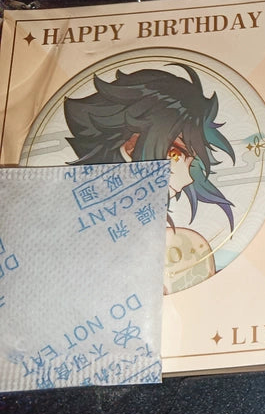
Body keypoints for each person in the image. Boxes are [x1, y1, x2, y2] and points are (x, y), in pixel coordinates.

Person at [64, 63, 235, 293]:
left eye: (190, 160)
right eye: (176, 154)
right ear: (132, 144)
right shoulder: (78, 223)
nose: (188, 179)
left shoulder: (185, 248)